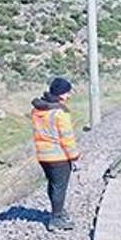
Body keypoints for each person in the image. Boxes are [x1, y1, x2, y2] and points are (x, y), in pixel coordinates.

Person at [32, 77, 81, 231]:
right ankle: (56, 218)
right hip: (58, 156)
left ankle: (57, 211)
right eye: (67, 92)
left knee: (53, 185)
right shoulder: (60, 112)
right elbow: (67, 138)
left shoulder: (37, 110)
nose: (69, 95)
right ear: (60, 94)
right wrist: (74, 156)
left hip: (43, 156)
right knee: (60, 187)